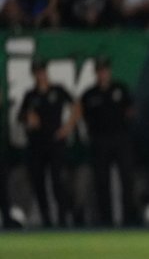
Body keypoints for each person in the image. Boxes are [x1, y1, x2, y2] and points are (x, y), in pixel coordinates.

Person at [18, 59, 80, 227]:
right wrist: (28, 118)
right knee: (38, 182)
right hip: (37, 144)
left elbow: (76, 106)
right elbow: (21, 116)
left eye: (42, 71)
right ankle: (46, 220)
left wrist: (68, 127)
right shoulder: (31, 95)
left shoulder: (57, 90)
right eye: (37, 72)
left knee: (58, 181)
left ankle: (62, 219)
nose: (41, 75)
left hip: (55, 142)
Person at [80, 55, 138, 226]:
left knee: (127, 179)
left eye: (105, 70)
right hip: (100, 140)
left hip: (120, 138)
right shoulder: (90, 94)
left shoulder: (120, 89)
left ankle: (129, 218)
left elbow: (131, 110)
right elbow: (83, 116)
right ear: (96, 72)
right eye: (100, 70)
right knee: (102, 181)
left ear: (109, 71)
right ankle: (105, 220)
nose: (103, 73)